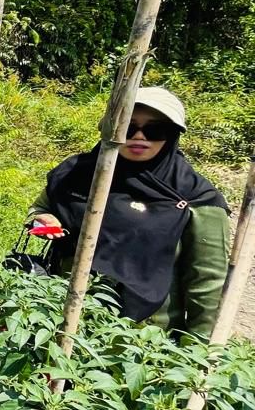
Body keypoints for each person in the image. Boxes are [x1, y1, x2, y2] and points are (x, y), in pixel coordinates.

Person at [29, 87, 229, 339]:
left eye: (155, 130)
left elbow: (207, 283)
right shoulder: (77, 174)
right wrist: (42, 219)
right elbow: (40, 209)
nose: (139, 136)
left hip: (141, 338)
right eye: (127, 127)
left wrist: (199, 350)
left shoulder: (194, 198)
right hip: (59, 318)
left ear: (172, 134)